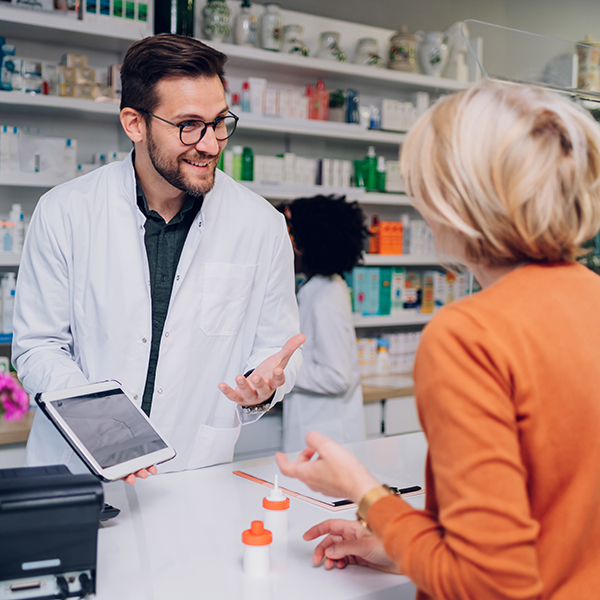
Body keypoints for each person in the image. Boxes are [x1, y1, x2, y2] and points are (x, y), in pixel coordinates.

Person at [277, 81, 600, 599]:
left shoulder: (470, 335)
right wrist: (397, 544)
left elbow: (487, 584)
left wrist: (363, 492)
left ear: (454, 202)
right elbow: (554, 521)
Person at [13, 34, 304, 480]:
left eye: (219, 121)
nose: (210, 144)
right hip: (78, 466)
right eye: (189, 125)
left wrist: (261, 389)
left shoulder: (260, 225)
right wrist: (102, 427)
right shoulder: (66, 210)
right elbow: (39, 346)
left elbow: (276, 348)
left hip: (193, 471)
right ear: (135, 123)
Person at [280, 195, 368, 453]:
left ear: (304, 245)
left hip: (330, 439)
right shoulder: (316, 289)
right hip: (316, 432)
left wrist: (282, 370)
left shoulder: (327, 296)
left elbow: (336, 377)